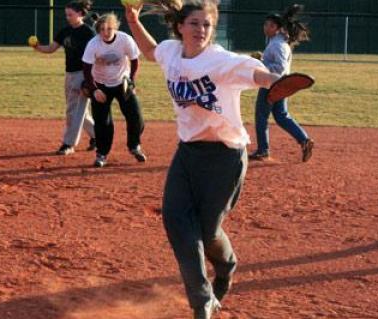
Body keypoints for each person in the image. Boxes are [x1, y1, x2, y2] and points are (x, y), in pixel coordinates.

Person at [124, 1, 302, 317]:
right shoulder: (171, 52)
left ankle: (226, 265)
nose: (201, 30)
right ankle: (202, 300)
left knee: (207, 234)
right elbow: (151, 52)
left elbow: (256, 73)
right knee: (176, 220)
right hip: (188, 153)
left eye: (206, 25)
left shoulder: (221, 61)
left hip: (226, 158)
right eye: (194, 23)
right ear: (180, 26)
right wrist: (133, 20)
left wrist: (275, 83)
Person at [249, 5, 314, 162]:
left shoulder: (277, 44)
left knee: (261, 116)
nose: (266, 27)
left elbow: (279, 69)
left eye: (271, 25)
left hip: (272, 85)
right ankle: (304, 140)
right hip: (281, 86)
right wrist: (263, 60)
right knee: (281, 116)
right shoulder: (277, 42)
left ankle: (263, 150)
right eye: (265, 24)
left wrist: (260, 63)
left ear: (278, 28)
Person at [82, 13, 147, 168]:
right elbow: (86, 68)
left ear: (115, 27)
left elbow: (135, 60)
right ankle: (102, 154)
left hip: (121, 82)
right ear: (98, 30)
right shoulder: (93, 44)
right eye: (103, 29)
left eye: (110, 28)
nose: (106, 32)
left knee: (135, 116)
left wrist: (131, 81)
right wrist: (94, 89)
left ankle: (134, 146)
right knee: (102, 122)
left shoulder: (125, 39)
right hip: (100, 84)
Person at [32, 0, 96, 156]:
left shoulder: (88, 33)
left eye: (70, 14)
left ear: (80, 14)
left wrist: (90, 80)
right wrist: (38, 47)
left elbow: (95, 55)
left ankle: (68, 144)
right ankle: (98, 136)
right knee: (80, 112)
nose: (67, 17)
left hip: (84, 74)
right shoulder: (65, 31)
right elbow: (51, 48)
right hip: (69, 74)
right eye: (66, 14)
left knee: (72, 111)